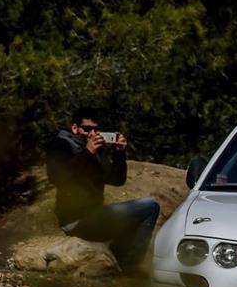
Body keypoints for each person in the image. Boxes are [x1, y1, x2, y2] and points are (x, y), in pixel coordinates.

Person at [45, 108, 160, 273]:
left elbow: (116, 180)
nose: (92, 133)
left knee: (144, 208)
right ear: (75, 128)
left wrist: (119, 153)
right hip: (75, 220)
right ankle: (129, 266)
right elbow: (58, 178)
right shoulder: (61, 145)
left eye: (95, 129)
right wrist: (87, 153)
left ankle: (121, 258)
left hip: (95, 215)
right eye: (87, 129)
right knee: (149, 205)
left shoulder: (96, 149)